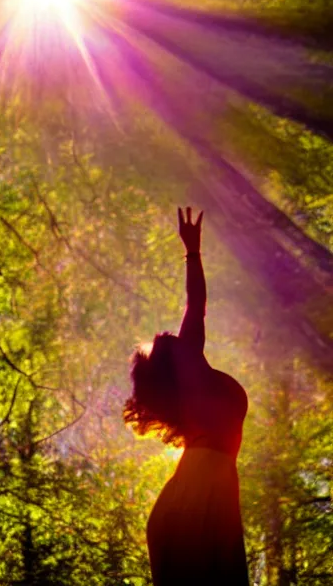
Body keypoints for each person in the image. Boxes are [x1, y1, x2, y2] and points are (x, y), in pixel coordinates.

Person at [124, 207, 250, 585]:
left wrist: (192, 251)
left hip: (198, 487)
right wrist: (191, 253)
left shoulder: (191, 370)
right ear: (172, 364)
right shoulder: (190, 376)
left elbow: (195, 303)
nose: (172, 334)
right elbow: (195, 309)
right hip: (201, 489)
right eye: (167, 341)